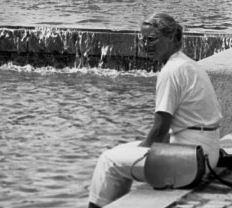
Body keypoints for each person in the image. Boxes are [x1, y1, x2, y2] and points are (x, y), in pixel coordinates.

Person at [88, 13, 222, 208]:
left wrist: (143, 151)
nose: (145, 44)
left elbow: (159, 131)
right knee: (119, 152)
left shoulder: (171, 71)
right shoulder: (188, 64)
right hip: (207, 154)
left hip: (189, 161)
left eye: (151, 39)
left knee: (108, 161)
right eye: (143, 39)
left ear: (171, 38)